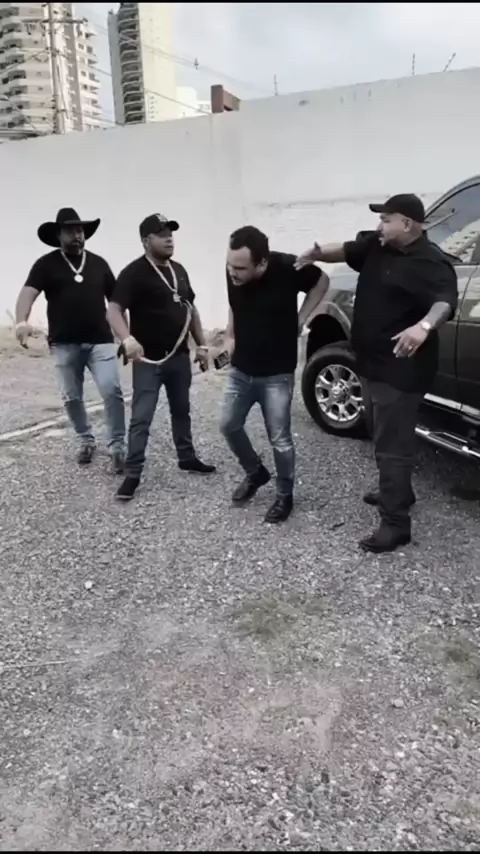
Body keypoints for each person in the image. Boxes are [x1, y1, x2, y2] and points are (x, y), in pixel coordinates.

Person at [296, 193, 458, 553]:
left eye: (386, 219)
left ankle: (395, 524)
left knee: (391, 447)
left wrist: (424, 327)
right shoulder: (377, 245)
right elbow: (345, 250)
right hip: (370, 364)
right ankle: (399, 490)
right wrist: (315, 253)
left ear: (408, 224)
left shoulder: (431, 262)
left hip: (402, 369)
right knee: (378, 430)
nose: (379, 225)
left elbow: (445, 301)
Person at [220, 225, 329, 523]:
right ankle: (256, 472)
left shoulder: (288, 266)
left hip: (277, 374)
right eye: (230, 265)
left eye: (240, 268)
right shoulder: (234, 268)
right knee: (228, 425)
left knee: (279, 439)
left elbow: (322, 280)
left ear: (262, 263)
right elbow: (234, 304)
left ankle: (284, 495)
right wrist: (230, 335)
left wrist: (301, 318)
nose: (232, 272)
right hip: (241, 368)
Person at [108, 213, 216, 501]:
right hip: (149, 362)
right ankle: (133, 474)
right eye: (162, 234)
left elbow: (191, 309)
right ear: (146, 240)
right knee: (141, 418)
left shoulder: (179, 270)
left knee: (181, 410)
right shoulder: (134, 272)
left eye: (171, 233)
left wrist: (202, 346)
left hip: (179, 358)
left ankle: (187, 457)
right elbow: (113, 310)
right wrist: (127, 339)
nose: (169, 239)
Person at [15, 207, 125, 472]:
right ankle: (85, 439)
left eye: (80, 231)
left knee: (111, 390)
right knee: (71, 397)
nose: (77, 235)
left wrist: (126, 337)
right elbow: (27, 293)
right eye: (71, 231)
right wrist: (21, 321)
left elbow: (116, 303)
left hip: (101, 342)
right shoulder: (46, 264)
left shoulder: (99, 264)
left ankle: (117, 447)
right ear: (58, 234)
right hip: (64, 344)